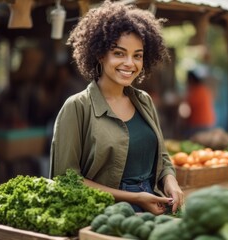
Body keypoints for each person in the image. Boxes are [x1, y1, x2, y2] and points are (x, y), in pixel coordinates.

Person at [49, 0, 184, 215]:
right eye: (119, 53)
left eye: (137, 55)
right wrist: (135, 197)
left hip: (154, 209)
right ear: (100, 54)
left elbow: (163, 158)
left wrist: (171, 181)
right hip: (105, 215)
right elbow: (66, 179)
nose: (130, 63)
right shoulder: (76, 107)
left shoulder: (144, 101)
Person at [185, 69, 216, 136]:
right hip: (209, 122)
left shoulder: (196, 91)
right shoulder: (204, 89)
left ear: (191, 80)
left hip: (200, 123)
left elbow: (188, 104)